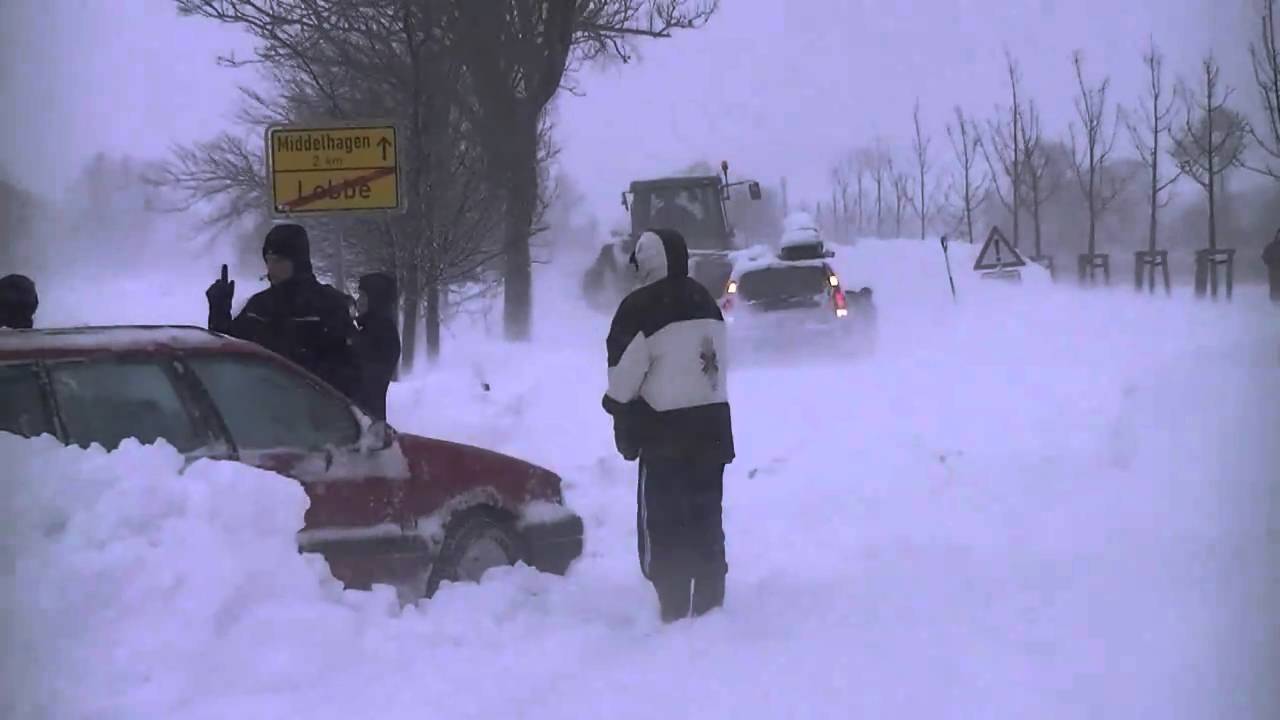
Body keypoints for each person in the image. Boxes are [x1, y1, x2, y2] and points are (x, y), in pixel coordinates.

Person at [602, 228, 734, 623]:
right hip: (713, 428)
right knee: (706, 514)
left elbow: (623, 378)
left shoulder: (639, 307)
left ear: (645, 261)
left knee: (664, 521)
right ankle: (710, 603)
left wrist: (622, 419)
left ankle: (674, 604)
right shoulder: (707, 301)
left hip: (664, 434)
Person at [206, 223, 361, 400]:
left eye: (279, 260)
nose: (271, 268)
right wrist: (219, 311)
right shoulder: (259, 306)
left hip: (316, 412)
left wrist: (301, 371)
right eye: (268, 260)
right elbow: (230, 352)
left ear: (298, 261)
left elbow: (351, 371)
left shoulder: (328, 305)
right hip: (263, 409)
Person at [352, 272, 401, 421]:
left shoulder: (382, 333)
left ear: (376, 300)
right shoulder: (369, 329)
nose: (358, 301)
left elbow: (366, 382)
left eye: (363, 296)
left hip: (366, 421)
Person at [1264, 230, 1280, 303]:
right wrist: (1270, 263)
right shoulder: (1271, 246)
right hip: (1274, 271)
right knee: (1274, 288)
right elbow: (1264, 256)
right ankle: (1274, 304)